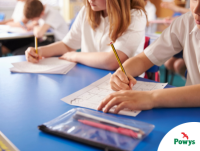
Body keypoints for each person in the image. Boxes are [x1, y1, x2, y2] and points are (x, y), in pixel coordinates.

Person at [98, 0, 200, 113]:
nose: (196, 10)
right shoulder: (186, 22)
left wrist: (151, 97)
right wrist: (122, 73)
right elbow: (143, 59)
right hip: (189, 110)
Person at [25, 0, 147, 71]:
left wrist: (75, 55)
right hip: (90, 77)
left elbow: (113, 61)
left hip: (123, 83)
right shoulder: (87, 11)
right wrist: (39, 51)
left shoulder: (136, 16)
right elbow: (67, 45)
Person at [161, 1, 190, 78]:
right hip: (185, 38)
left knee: (178, 64)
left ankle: (192, 83)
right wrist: (175, 21)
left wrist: (177, 9)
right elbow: (188, 16)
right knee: (168, 62)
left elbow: (193, 13)